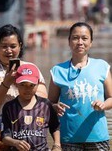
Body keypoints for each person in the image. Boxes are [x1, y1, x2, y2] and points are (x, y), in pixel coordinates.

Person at [0, 24, 48, 150]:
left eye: (13, 46)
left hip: (26, 132)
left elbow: (42, 101)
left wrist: (22, 85)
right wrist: (6, 83)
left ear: (20, 46)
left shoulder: (31, 69)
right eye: (4, 46)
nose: (8, 50)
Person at [48, 22, 112, 150]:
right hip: (69, 138)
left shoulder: (102, 67)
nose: (80, 42)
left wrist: (103, 105)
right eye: (75, 38)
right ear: (69, 41)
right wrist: (55, 107)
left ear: (91, 42)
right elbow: (49, 103)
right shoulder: (58, 71)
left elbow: (111, 97)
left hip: (98, 137)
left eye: (84, 38)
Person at [1, 64, 61, 151]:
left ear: (38, 84)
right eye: (23, 85)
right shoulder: (9, 107)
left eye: (31, 85)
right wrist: (15, 142)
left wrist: (57, 145)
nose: (27, 89)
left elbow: (55, 127)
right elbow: (4, 136)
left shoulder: (46, 105)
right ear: (16, 83)